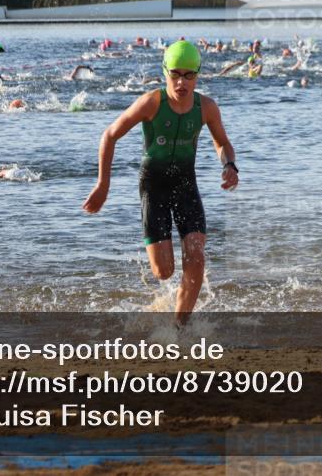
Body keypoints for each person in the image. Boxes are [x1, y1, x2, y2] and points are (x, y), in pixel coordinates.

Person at [82, 41, 240, 324]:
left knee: (196, 256)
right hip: (153, 186)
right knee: (164, 271)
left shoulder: (206, 107)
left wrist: (229, 165)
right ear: (165, 72)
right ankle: (167, 300)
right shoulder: (152, 102)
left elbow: (223, 144)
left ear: (198, 75)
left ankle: (179, 327)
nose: (181, 82)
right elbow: (109, 135)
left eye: (189, 75)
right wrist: (103, 185)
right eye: (175, 74)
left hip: (185, 184)